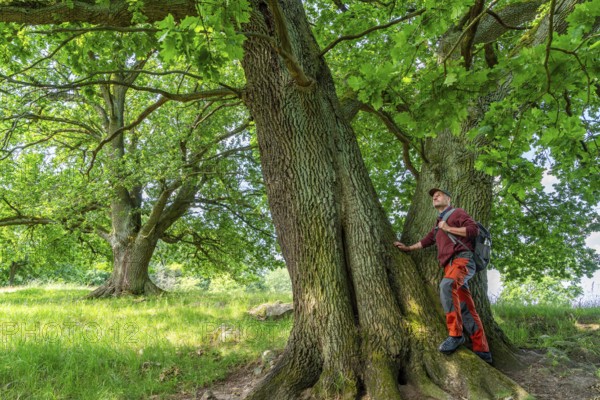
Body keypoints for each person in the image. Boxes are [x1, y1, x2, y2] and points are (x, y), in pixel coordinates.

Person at [394, 188, 492, 363]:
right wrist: (408, 248)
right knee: (466, 308)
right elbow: (427, 240)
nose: (435, 197)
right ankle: (483, 350)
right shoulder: (438, 224)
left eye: (438, 195)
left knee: (446, 286)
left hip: (463, 260)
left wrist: (447, 228)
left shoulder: (457, 213)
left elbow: (473, 230)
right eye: (433, 196)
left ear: (448, 198)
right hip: (450, 266)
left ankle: (455, 335)